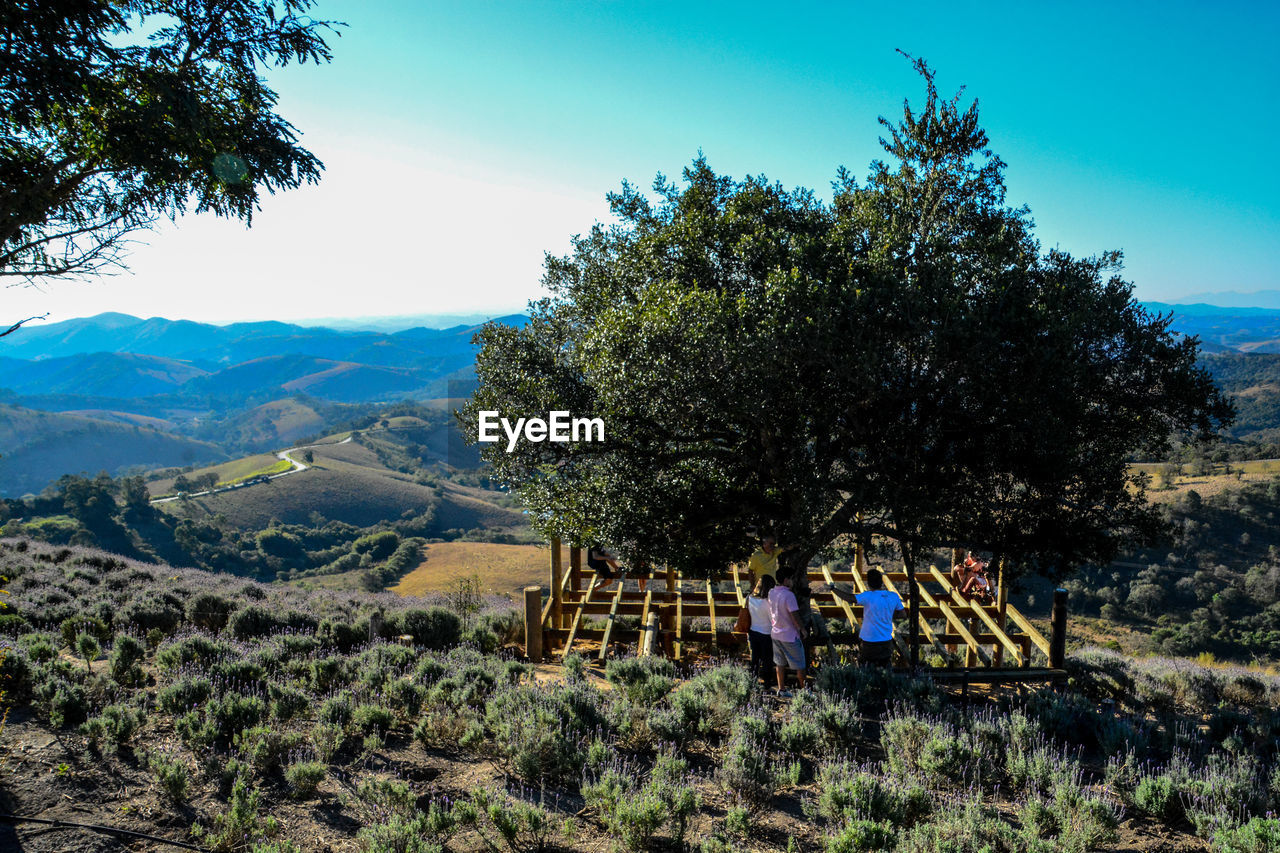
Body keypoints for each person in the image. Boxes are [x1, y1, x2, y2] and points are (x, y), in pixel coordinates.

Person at [827, 567, 904, 667]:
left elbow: (850, 598)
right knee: (884, 667)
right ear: (881, 581)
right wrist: (887, 614)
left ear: (869, 583)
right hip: (886, 640)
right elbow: (903, 614)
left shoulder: (867, 596)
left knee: (866, 667)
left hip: (869, 640)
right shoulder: (893, 596)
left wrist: (834, 589)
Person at [769, 567, 807, 696]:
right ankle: (804, 691)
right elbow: (794, 615)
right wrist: (802, 629)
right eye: (791, 578)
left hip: (775, 633)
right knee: (800, 664)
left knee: (779, 663)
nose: (792, 581)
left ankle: (782, 689)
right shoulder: (789, 595)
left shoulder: (771, 592)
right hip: (789, 635)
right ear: (786, 580)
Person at [745, 575, 776, 686]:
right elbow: (772, 619)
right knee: (767, 659)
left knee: (755, 658)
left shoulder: (750, 598)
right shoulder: (768, 602)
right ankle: (767, 682)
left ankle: (752, 681)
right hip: (766, 633)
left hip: (753, 630)